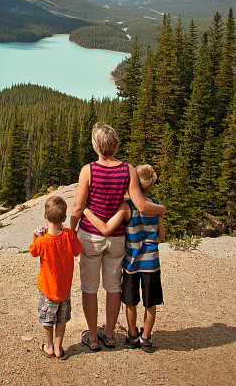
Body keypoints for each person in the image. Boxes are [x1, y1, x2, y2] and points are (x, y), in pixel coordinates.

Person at [70, 123, 165, 352]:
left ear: (96, 145)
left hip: (91, 237)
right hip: (117, 238)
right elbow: (141, 204)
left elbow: (77, 206)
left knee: (89, 287)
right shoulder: (128, 169)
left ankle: (93, 337)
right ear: (116, 144)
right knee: (114, 287)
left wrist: (71, 231)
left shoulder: (88, 170)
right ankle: (110, 335)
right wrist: (160, 209)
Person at [29, 195, 82, 360]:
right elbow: (77, 251)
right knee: (61, 319)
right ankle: (59, 347)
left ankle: (49, 345)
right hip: (64, 289)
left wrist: (35, 236)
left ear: (45, 216)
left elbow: (32, 251)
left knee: (47, 319)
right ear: (65, 218)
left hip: (47, 289)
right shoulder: (68, 235)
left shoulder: (42, 240)